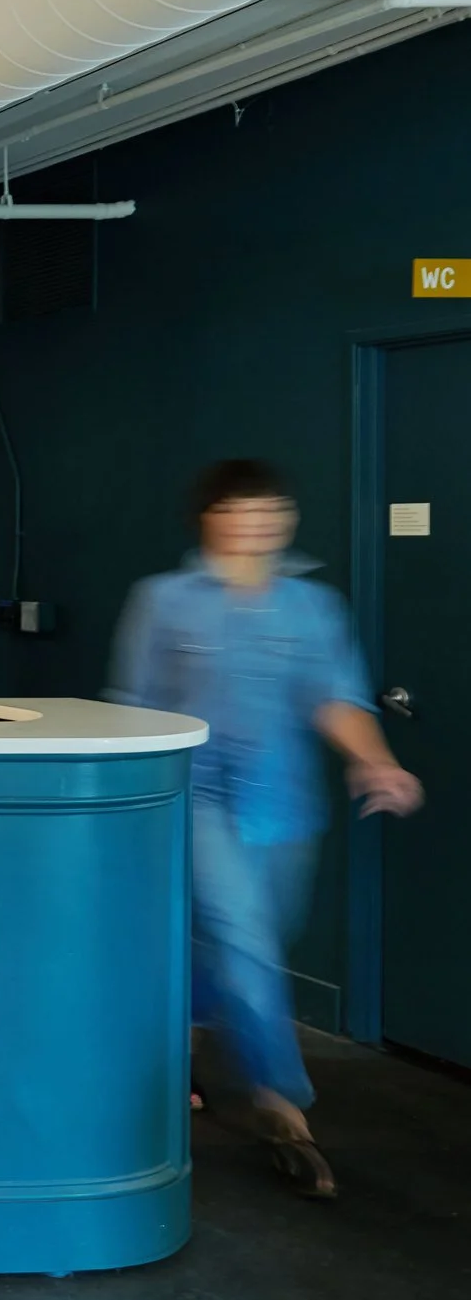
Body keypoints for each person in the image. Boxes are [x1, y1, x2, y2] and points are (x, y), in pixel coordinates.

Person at [110, 459, 422, 1200]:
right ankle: (283, 1104)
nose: (255, 524)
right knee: (243, 933)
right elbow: (133, 705)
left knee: (248, 936)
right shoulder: (163, 600)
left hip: (282, 801)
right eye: (237, 510)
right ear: (209, 519)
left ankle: (179, 1040)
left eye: (268, 510)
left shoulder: (313, 607)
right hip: (195, 794)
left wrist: (375, 761)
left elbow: (336, 696)